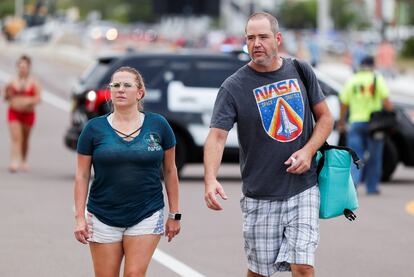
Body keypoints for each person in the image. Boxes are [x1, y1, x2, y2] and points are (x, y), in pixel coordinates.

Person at [204, 12, 334, 277]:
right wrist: (210, 178)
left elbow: (325, 118)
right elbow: (217, 136)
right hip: (260, 194)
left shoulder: (300, 70)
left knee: (303, 267)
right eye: (251, 38)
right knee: (259, 272)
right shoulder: (234, 86)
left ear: (277, 38)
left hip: (303, 188)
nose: (256, 43)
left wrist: (308, 151)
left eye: (263, 37)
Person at [73, 66, 181, 277]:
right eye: (115, 85)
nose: (120, 90)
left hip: (147, 213)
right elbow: (82, 175)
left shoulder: (158, 125)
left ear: (140, 92)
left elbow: (170, 170)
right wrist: (79, 217)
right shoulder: (93, 129)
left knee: (133, 274)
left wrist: (174, 214)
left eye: (127, 85)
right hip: (103, 214)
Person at [338, 56, 393, 195]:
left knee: (356, 156)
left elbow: (344, 103)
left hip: (356, 122)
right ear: (373, 65)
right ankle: (372, 187)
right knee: (375, 156)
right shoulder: (377, 79)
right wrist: (391, 115)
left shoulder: (352, 80)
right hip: (375, 125)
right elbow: (387, 103)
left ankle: (353, 186)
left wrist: (341, 122)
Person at [4, 55, 41, 172]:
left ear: (29, 68)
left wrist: (28, 102)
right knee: (16, 137)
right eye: (20, 67)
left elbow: (38, 98)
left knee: (25, 138)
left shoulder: (34, 82)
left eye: (24, 67)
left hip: (28, 114)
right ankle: (14, 161)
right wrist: (7, 92)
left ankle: (23, 160)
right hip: (14, 112)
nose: (22, 69)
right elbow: (6, 97)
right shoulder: (11, 81)